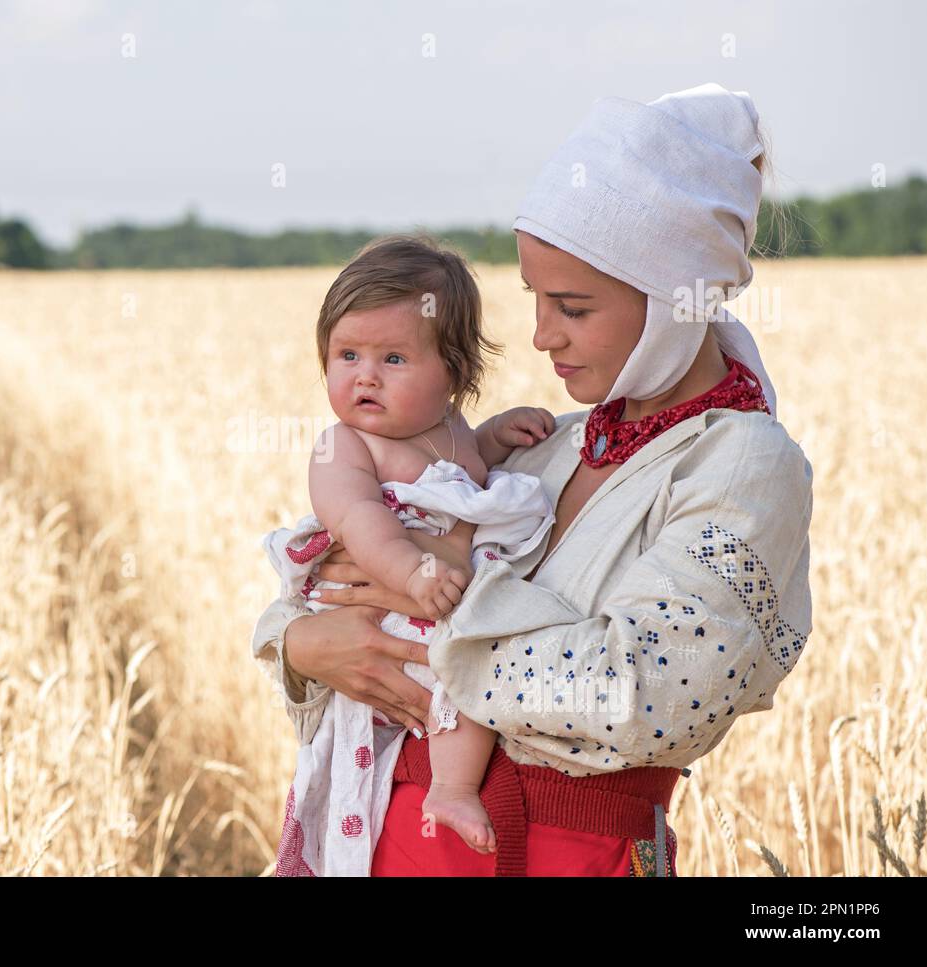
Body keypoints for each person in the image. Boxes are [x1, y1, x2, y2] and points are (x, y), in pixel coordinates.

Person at [251, 82, 814, 876]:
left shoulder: (745, 466)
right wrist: (304, 643)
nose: (542, 336)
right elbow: (335, 579)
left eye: (573, 307)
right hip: (387, 838)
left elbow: (638, 695)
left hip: (562, 857)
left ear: (672, 302)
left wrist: (442, 613)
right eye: (535, 300)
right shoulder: (548, 448)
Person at [260, 234, 558, 874]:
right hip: (386, 603)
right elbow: (360, 519)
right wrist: (413, 571)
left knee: (471, 683)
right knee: (447, 674)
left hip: (440, 607)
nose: (364, 375)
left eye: (393, 357)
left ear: (453, 372)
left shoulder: (451, 432)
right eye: (347, 355)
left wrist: (495, 438)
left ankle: (450, 790)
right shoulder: (343, 445)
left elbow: (459, 478)